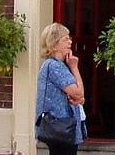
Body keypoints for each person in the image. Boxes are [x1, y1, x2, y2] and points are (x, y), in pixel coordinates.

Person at [35, 23, 86, 154]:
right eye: (65, 39)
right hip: (61, 128)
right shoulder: (54, 66)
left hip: (61, 127)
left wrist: (79, 98)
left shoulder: (58, 65)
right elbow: (78, 92)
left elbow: (79, 97)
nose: (70, 42)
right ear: (54, 45)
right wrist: (74, 67)